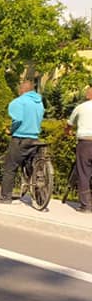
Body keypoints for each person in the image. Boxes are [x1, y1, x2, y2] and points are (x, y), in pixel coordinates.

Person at [0, 78, 45, 205]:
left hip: (20, 138)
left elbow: (17, 120)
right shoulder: (39, 103)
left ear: (22, 90)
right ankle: (40, 198)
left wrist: (11, 130)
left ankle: (5, 197)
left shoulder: (18, 102)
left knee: (10, 167)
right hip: (35, 138)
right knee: (35, 169)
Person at [66, 85, 92, 213]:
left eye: (88, 90)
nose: (86, 91)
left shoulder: (81, 107)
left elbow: (69, 123)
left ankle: (86, 205)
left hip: (86, 142)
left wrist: (68, 131)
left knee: (84, 173)